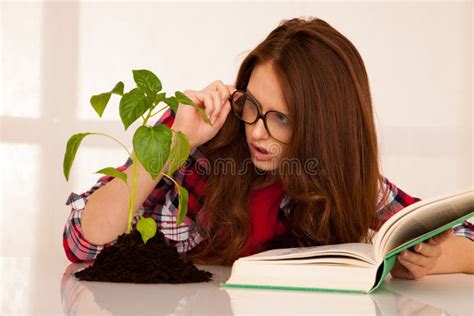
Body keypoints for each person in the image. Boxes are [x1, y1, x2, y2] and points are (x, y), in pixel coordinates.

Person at [63, 17, 473, 279]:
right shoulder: (198, 139)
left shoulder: (338, 175)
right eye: (253, 106)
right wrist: (176, 143)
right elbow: (82, 243)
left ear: (325, 131)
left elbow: (458, 234)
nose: (257, 132)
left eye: (283, 118)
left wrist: (438, 260)